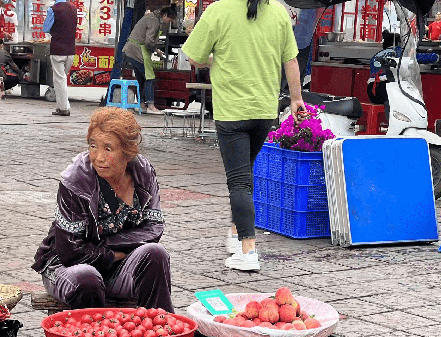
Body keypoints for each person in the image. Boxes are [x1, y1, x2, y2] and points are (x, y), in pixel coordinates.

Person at [182, 0, 305, 271]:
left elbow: (194, 57)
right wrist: (296, 98)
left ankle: (248, 251)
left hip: (232, 112)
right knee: (245, 174)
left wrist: (216, 59)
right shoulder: (278, 12)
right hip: (264, 111)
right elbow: (291, 59)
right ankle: (236, 233)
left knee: (238, 181)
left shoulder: (219, 10)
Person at [31, 107, 172, 312]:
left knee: (156, 254)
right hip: (67, 268)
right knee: (87, 278)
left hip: (117, 269)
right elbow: (70, 252)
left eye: (108, 148)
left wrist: (103, 246)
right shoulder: (76, 180)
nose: (98, 157)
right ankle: (92, 332)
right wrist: (113, 255)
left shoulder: (142, 172)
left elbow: (154, 228)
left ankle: (159, 326)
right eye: (93, 146)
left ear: (127, 152)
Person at [122, 4, 177, 114]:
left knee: (141, 78)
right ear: (165, 15)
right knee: (149, 77)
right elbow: (148, 42)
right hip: (137, 51)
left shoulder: (152, 17)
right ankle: (151, 105)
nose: (169, 22)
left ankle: (142, 104)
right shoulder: (154, 21)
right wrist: (156, 50)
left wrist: (156, 50)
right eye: (170, 20)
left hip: (131, 50)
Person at [367, 31, 438, 110]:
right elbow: (426, 58)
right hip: (387, 90)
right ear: (399, 43)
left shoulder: (377, 55)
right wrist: (436, 56)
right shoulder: (399, 52)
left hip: (372, 91)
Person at [43, 0, 77, 117]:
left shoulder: (53, 9)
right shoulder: (73, 8)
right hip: (71, 50)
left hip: (58, 50)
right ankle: (62, 106)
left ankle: (63, 108)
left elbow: (46, 28)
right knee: (62, 79)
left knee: (59, 79)